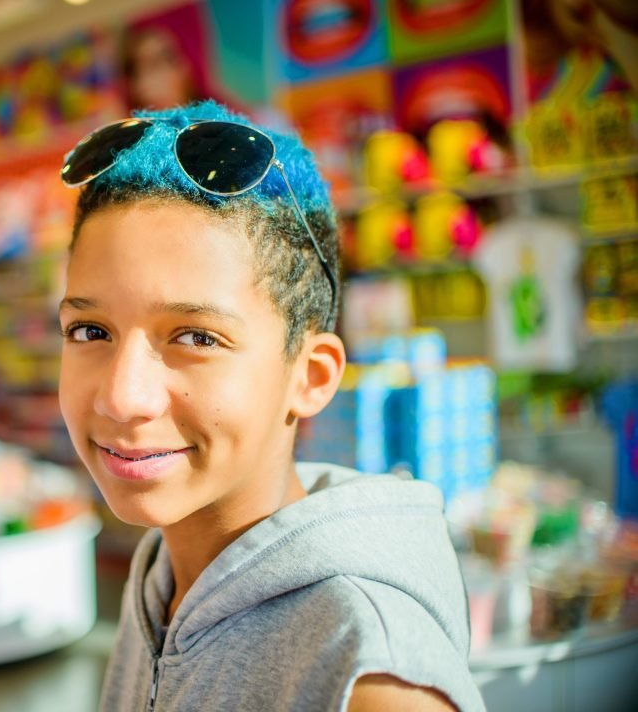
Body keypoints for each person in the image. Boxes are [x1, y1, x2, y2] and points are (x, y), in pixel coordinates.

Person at [56, 100, 484, 711]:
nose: (123, 397)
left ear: (309, 377)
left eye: (197, 338)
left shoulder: (372, 680)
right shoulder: (162, 573)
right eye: (90, 332)